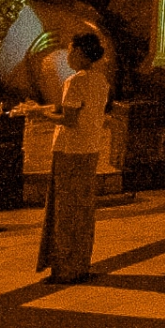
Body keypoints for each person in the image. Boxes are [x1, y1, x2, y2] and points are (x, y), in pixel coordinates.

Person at [35, 34, 111, 283]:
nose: (67, 56)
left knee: (65, 211)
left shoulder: (75, 81)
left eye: (69, 50)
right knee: (83, 210)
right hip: (90, 150)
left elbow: (69, 119)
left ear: (79, 52)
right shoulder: (101, 81)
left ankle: (65, 269)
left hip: (69, 151)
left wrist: (38, 114)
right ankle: (81, 264)